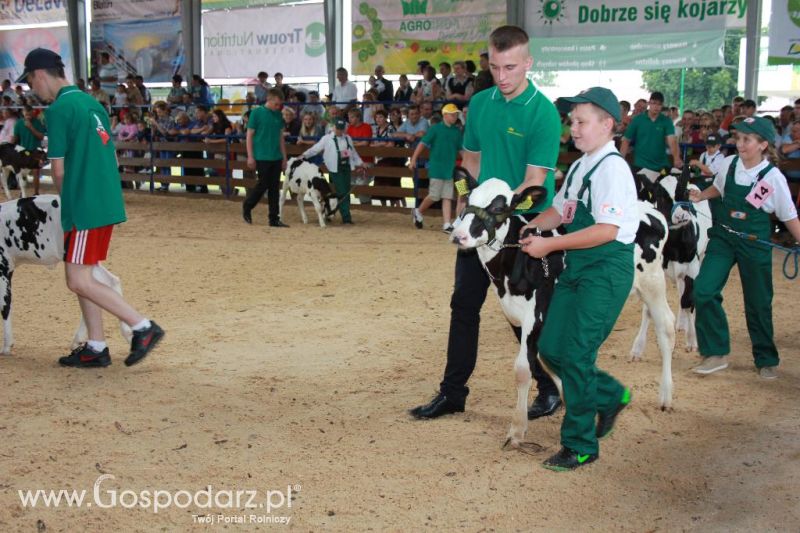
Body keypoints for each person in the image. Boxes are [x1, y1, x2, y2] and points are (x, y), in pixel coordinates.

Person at [409, 25, 562, 420]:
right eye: (495, 67)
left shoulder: (543, 113)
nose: (503, 76)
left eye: (511, 67)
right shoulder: (479, 104)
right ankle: (452, 392)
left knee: (520, 312)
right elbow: (471, 160)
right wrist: (471, 206)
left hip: (515, 225)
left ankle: (548, 386)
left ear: (528, 62)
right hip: (478, 223)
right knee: (464, 303)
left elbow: (535, 180)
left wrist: (501, 216)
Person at [19, 47, 163, 367]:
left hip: (84, 204)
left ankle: (142, 327)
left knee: (77, 280)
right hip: (104, 199)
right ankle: (96, 347)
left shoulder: (59, 111)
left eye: (30, 82)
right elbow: (110, 156)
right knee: (83, 272)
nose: (32, 89)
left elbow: (58, 170)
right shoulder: (92, 103)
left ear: (39, 75)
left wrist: (67, 203)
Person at [519, 87, 639, 471]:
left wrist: (550, 247)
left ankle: (580, 444)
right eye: (572, 121)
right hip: (578, 268)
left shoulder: (612, 169)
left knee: (577, 355)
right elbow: (560, 210)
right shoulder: (580, 165)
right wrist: (530, 227)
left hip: (605, 270)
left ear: (608, 125)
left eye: (581, 121)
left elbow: (606, 230)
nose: (574, 128)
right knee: (551, 348)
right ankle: (610, 396)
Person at [689, 117, 800, 380]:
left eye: (746, 140)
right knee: (703, 290)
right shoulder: (729, 163)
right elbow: (718, 187)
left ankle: (766, 358)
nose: (740, 144)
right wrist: (701, 195)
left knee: (758, 302)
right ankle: (715, 352)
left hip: (754, 242)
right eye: (738, 138)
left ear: (763, 144)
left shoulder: (773, 178)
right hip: (724, 238)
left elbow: (790, 217)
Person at [300, 118, 365, 224]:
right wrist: (304, 155)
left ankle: (332, 213)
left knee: (346, 191)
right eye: (337, 128)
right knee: (342, 192)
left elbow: (353, 153)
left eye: (341, 129)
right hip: (335, 168)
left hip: (346, 167)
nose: (339, 131)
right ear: (334, 127)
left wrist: (361, 163)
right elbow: (315, 149)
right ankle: (346, 218)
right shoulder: (327, 138)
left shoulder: (348, 138)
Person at [409, 104, 462, 232]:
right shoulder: (435, 129)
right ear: (445, 115)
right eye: (452, 114)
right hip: (437, 168)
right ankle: (418, 211)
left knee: (447, 196)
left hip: (450, 168)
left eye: (456, 114)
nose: (455, 116)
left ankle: (446, 224)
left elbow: (461, 150)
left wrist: (465, 162)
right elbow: (422, 143)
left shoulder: (456, 131)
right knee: (434, 196)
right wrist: (414, 159)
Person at [243, 88, 289, 228]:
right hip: (261, 156)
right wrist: (250, 156)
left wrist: (284, 157)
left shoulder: (279, 116)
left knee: (275, 188)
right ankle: (248, 205)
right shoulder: (256, 113)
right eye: (276, 104)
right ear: (269, 99)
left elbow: (280, 137)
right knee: (263, 184)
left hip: (276, 156)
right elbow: (249, 135)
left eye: (280, 104)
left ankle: (274, 218)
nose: (278, 106)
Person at [619, 91, 682, 182]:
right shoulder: (638, 120)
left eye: (659, 104)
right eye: (654, 103)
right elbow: (626, 140)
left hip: (661, 165)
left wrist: (676, 158)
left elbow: (672, 141)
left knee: (663, 192)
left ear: (662, 105)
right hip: (640, 165)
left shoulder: (666, 121)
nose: (656, 107)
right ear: (649, 103)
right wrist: (621, 159)